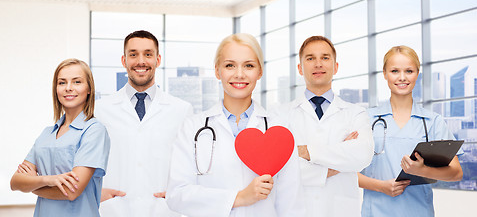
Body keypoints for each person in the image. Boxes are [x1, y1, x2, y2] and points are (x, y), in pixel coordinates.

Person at [166, 33, 305, 217]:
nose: (239, 74)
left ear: (259, 72)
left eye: (249, 65)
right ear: (217, 71)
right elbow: (177, 195)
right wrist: (239, 198)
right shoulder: (193, 128)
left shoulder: (279, 130)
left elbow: (291, 205)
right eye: (230, 65)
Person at [271, 36, 374, 217]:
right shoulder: (280, 115)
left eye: (325, 58)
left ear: (335, 67)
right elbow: (279, 168)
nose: (318, 64)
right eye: (310, 58)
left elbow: (362, 155)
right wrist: (338, 165)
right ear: (300, 68)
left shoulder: (355, 113)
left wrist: (304, 152)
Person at [96, 30, 192, 217]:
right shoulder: (100, 110)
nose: (141, 61)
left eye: (148, 54)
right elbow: (87, 162)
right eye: (133, 54)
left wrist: (178, 195)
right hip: (114, 210)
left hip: (164, 211)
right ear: (124, 61)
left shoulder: (181, 110)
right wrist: (95, 193)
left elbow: (190, 165)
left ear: (158, 60)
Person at [358, 45, 463, 217]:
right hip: (376, 212)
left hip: (419, 212)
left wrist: (423, 171)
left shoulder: (432, 122)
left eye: (409, 71)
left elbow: (456, 173)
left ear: (417, 74)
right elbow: (345, 173)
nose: (402, 77)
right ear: (384, 74)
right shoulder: (365, 119)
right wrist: (381, 186)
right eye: (394, 71)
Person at [10, 59, 110, 217]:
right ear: (56, 89)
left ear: (89, 88)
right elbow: (15, 183)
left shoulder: (94, 131)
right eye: (62, 83)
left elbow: (71, 192)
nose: (69, 88)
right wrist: (48, 180)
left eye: (77, 82)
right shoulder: (47, 134)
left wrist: (31, 184)